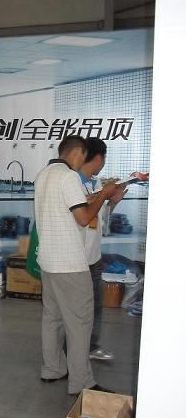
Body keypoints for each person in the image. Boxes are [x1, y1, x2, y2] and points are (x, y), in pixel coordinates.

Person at [34, 135, 123, 395]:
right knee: (80, 323)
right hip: (70, 263)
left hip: (48, 262)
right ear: (79, 153)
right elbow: (83, 218)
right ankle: (82, 382)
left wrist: (102, 198)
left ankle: (52, 369)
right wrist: (104, 194)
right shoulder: (68, 177)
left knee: (52, 319)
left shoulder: (43, 175)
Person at [80, 138, 126, 361]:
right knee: (76, 309)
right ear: (99, 157)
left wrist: (113, 202)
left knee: (96, 306)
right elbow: (79, 218)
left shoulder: (96, 183)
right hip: (76, 258)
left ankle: (90, 346)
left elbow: (100, 222)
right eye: (104, 157)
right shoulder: (73, 182)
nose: (104, 161)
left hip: (93, 256)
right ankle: (71, 351)